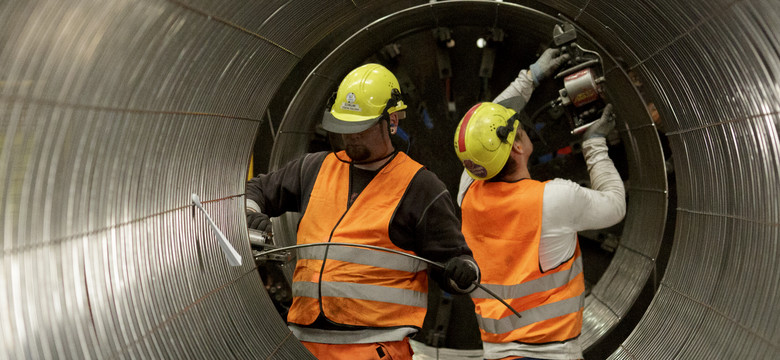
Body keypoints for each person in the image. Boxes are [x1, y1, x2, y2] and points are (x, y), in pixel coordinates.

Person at [246, 63, 480, 360]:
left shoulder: (420, 187)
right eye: (344, 127)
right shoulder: (314, 168)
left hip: (375, 349)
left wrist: (462, 271)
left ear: (391, 121)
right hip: (304, 345)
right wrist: (252, 214)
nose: (351, 137)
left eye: (360, 128)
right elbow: (255, 191)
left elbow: (459, 266)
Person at [453, 49, 626, 359]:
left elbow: (483, 127)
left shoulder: (468, 193)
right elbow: (615, 204)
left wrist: (531, 76)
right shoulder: (553, 199)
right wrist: (595, 145)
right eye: (519, 128)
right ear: (518, 145)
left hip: (498, 353)